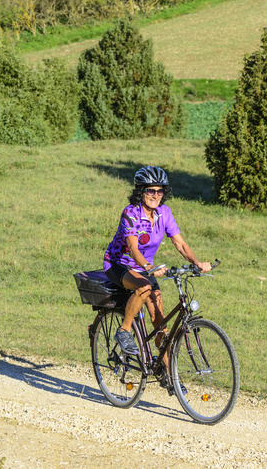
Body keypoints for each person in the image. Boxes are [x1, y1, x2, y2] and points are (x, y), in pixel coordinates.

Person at [103, 166, 211, 394]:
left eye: (160, 191)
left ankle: (169, 375)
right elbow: (133, 248)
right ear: (141, 191)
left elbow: (180, 244)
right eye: (151, 190)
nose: (155, 195)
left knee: (160, 321)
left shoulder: (165, 213)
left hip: (146, 269)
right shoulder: (131, 213)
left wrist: (197, 263)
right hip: (119, 265)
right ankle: (123, 331)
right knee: (143, 287)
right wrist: (149, 267)